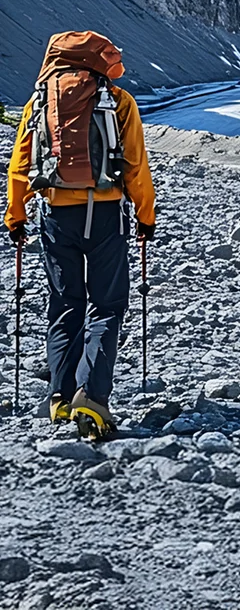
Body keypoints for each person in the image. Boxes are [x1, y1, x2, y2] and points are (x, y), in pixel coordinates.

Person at [5, 31, 156, 439]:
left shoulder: (40, 102)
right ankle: (91, 397)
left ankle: (59, 397)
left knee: (65, 303)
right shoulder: (118, 101)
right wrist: (146, 216)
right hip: (106, 214)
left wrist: (15, 215)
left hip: (56, 214)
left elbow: (20, 165)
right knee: (106, 305)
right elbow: (135, 165)